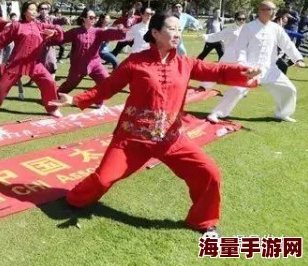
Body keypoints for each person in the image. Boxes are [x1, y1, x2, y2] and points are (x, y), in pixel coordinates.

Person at [50, 12, 261, 236]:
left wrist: (242, 72)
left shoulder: (185, 64)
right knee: (103, 179)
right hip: (132, 138)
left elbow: (216, 70)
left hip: (171, 138)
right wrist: (75, 99)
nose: (177, 33)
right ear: (155, 33)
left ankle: (203, 221)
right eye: (171, 29)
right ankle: (74, 200)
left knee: (209, 172)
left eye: (179, 29)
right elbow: (107, 88)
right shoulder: (135, 62)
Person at [207, 1, 305, 123]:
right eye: (270, 9)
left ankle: (282, 113)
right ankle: (216, 113)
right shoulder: (248, 27)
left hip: (270, 69)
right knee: (237, 90)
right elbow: (240, 47)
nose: (274, 12)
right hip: (251, 68)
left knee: (289, 89)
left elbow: (287, 45)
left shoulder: (276, 28)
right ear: (261, 11)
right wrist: (243, 65)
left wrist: (298, 59)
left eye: (274, 9)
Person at [0, 1, 64, 117]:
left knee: (49, 81)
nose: (35, 12)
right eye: (31, 9)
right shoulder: (16, 25)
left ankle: (52, 108)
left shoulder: (39, 25)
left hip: (35, 63)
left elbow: (57, 28)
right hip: (17, 63)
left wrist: (54, 32)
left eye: (35, 10)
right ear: (25, 12)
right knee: (2, 86)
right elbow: (1, 37)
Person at [56, 8, 126, 108]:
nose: (94, 19)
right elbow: (62, 38)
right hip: (78, 65)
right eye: (91, 17)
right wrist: (52, 36)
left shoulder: (98, 31)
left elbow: (109, 33)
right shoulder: (75, 32)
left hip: (95, 63)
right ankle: (55, 96)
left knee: (105, 80)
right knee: (69, 84)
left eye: (95, 17)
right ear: (84, 18)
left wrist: (120, 31)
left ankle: (98, 100)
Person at [199, 11, 247, 98]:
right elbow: (217, 35)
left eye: (243, 19)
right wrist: (205, 36)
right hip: (229, 55)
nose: (241, 21)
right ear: (235, 19)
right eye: (239, 19)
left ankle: (240, 91)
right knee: (218, 71)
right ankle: (204, 86)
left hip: (242, 56)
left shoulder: (248, 30)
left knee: (243, 73)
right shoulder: (229, 30)